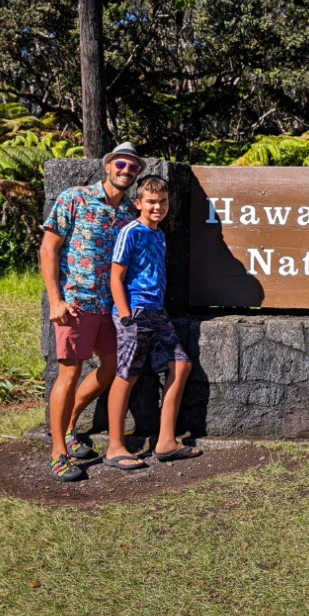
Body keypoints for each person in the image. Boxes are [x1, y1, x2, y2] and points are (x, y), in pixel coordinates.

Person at [39, 142, 141, 481]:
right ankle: (58, 453)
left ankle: (69, 426)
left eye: (133, 168)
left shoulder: (129, 214)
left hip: (110, 307)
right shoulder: (75, 198)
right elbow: (49, 249)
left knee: (110, 367)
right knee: (68, 374)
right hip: (76, 303)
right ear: (109, 165)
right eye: (122, 164)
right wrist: (55, 300)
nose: (126, 171)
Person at [103, 175, 201, 470]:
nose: (158, 207)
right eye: (151, 202)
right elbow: (116, 276)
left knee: (181, 365)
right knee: (127, 374)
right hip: (134, 311)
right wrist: (124, 315)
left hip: (157, 313)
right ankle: (114, 447)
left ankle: (166, 441)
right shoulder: (130, 232)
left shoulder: (158, 234)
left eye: (163, 202)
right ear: (138, 204)